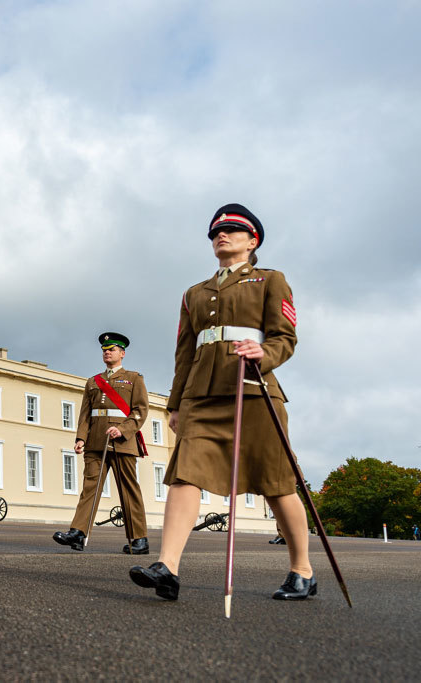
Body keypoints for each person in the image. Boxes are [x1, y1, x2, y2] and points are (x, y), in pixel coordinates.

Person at [130, 203, 314, 602]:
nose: (221, 235)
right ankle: (168, 567)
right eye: (216, 232)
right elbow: (184, 353)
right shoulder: (194, 293)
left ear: (253, 241)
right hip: (201, 396)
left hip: (253, 392)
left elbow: (286, 337)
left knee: (276, 483)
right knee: (184, 474)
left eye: (231, 230)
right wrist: (175, 404)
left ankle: (302, 569)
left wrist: (265, 353)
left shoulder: (270, 280)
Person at [52, 332, 150, 554]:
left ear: (122, 353)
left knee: (128, 489)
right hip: (96, 441)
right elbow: (85, 414)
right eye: (105, 349)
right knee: (90, 488)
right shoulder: (93, 381)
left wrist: (123, 429)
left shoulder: (134, 378)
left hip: (123, 442)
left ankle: (138, 540)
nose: (107, 352)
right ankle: (78, 532)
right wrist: (80, 438)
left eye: (112, 349)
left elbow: (140, 411)